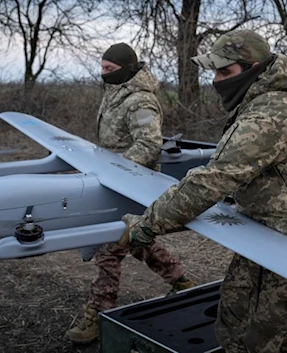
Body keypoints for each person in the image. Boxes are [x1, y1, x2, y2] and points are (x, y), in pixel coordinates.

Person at [118, 29, 287, 353]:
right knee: (234, 323)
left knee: (280, 342)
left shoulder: (270, 114)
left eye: (225, 71)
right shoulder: (256, 103)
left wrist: (146, 226)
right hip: (265, 233)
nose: (216, 80)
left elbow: (212, 180)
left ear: (252, 69)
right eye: (215, 71)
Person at [65, 43, 195, 345]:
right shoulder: (117, 92)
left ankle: (97, 314)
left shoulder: (140, 101)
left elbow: (148, 145)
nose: (103, 74)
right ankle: (182, 282)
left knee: (109, 248)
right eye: (103, 68)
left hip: (133, 184)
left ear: (125, 68)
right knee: (136, 242)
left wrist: (115, 169)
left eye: (110, 69)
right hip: (113, 183)